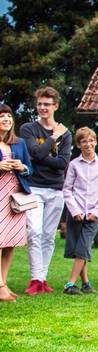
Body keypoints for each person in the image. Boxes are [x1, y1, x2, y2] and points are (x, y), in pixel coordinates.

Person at [20, 87, 72, 295]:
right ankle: (35, 279)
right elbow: (32, 152)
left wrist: (41, 156)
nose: (42, 107)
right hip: (33, 187)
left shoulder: (66, 133)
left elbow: (62, 163)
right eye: (40, 104)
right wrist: (51, 139)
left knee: (48, 236)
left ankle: (42, 279)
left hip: (56, 189)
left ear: (56, 106)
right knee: (34, 232)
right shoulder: (28, 129)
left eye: (47, 104)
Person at [61, 127, 98, 295]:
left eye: (91, 141)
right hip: (76, 213)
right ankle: (86, 283)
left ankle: (70, 284)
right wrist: (74, 210)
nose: (88, 144)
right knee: (78, 249)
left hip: (93, 214)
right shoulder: (74, 165)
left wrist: (96, 211)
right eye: (84, 141)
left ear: (95, 142)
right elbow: (67, 190)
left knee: (83, 248)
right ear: (78, 144)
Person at [0, 104, 33, 302]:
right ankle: (0, 286)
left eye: (9, 116)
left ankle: (3, 282)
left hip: (14, 196)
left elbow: (30, 170)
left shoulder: (19, 143)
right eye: (1, 116)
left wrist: (22, 167)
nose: (6, 119)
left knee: (10, 242)